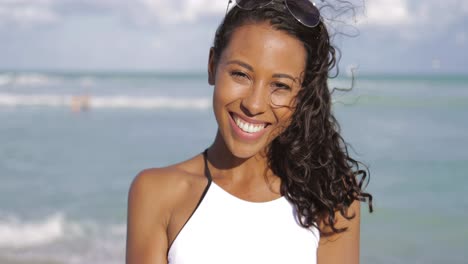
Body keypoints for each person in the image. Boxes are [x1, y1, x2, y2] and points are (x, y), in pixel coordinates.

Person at [126, 0, 373, 263]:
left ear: (302, 96)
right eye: (241, 75)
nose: (254, 105)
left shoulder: (330, 196)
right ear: (212, 66)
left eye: (280, 85)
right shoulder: (156, 193)